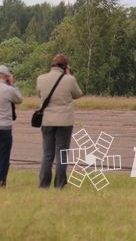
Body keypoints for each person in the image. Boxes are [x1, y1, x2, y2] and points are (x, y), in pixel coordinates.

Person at [36, 54, 83, 189]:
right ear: (65, 66)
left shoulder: (41, 78)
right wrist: (69, 74)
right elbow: (78, 94)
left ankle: (44, 183)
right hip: (64, 121)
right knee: (61, 154)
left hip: (47, 120)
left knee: (47, 154)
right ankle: (59, 183)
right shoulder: (69, 79)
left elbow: (39, 94)